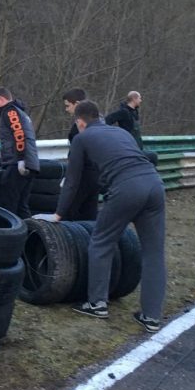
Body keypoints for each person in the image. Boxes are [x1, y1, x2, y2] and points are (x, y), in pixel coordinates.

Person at [53, 101, 166, 332]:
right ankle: (152, 317)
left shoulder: (81, 139)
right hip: (155, 184)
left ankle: (97, 303)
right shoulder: (120, 132)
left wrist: (59, 213)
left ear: (80, 122)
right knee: (153, 253)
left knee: (101, 241)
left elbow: (72, 182)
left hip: (127, 187)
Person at [0, 87, 40, 217]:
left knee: (9, 206)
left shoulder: (10, 112)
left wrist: (21, 160)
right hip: (30, 164)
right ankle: (30, 235)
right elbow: (11, 144)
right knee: (21, 207)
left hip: (18, 165)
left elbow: (19, 135)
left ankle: (10, 236)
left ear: (1, 99)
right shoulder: (21, 113)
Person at [59, 87, 99, 220]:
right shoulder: (98, 121)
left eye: (67, 106)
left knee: (70, 212)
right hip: (96, 175)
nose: (66, 109)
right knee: (90, 213)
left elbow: (79, 154)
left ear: (76, 104)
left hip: (82, 175)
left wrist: (69, 176)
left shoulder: (80, 126)